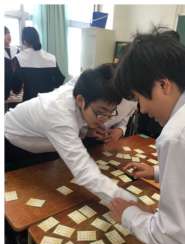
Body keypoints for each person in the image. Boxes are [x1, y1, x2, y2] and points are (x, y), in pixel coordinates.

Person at [110, 28, 185, 244]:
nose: (141, 109)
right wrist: (157, 171)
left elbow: (176, 238)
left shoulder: (177, 135)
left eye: (139, 98)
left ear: (163, 85)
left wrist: (128, 215)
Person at [4, 63, 136, 209]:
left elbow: (75, 122)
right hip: (11, 144)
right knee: (19, 200)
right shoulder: (59, 114)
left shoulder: (84, 89)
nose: (104, 120)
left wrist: (86, 131)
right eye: (100, 112)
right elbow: (83, 169)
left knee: (48, 187)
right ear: (80, 100)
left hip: (42, 143)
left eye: (111, 112)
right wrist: (126, 201)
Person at [13, 26, 65, 102]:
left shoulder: (19, 58)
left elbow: (16, 89)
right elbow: (59, 81)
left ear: (24, 41)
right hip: (48, 102)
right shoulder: (51, 58)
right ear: (37, 39)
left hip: (29, 103)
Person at [4, 26, 21, 101]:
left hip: (17, 88)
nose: (8, 35)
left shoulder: (16, 50)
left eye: (9, 33)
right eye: (5, 33)